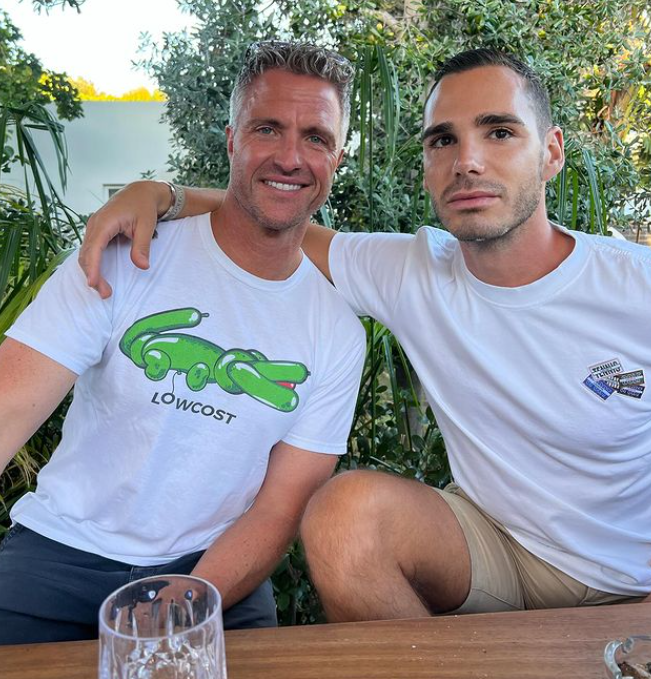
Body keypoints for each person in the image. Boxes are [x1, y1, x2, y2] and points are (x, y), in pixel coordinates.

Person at [76, 48, 651, 621]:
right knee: (344, 515)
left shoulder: (634, 287)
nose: (467, 162)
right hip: (495, 547)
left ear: (551, 153)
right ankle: (423, 663)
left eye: (499, 132)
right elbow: (274, 219)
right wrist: (160, 195)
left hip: (633, 575)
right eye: (443, 140)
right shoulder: (413, 272)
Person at [0, 40, 366, 645]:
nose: (290, 157)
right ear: (232, 140)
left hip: (215, 566)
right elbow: (8, 405)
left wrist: (193, 594)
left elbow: (280, 506)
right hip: (60, 551)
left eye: (316, 138)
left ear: (337, 158)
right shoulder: (126, 253)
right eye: (267, 129)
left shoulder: (336, 332)